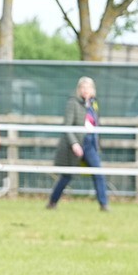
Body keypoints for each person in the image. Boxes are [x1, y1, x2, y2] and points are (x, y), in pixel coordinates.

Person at [47, 76, 109, 211]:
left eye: (88, 87)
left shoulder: (93, 104)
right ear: (79, 89)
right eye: (83, 87)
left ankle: (103, 204)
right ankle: (52, 202)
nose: (86, 90)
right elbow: (67, 126)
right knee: (67, 175)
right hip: (76, 144)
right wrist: (74, 144)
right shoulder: (73, 103)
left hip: (90, 144)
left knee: (98, 173)